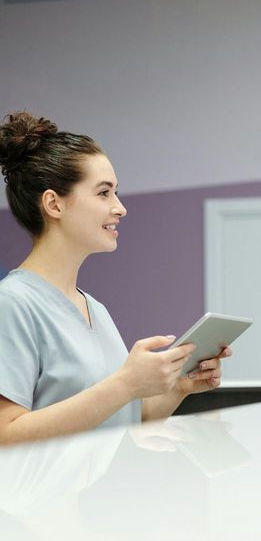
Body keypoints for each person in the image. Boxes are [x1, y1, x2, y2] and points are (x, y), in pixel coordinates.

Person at [0, 111, 229, 445]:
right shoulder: (12, 304)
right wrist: (125, 384)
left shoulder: (95, 309)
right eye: (104, 193)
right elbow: (6, 435)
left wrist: (181, 385)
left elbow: (124, 418)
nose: (120, 208)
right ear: (54, 204)